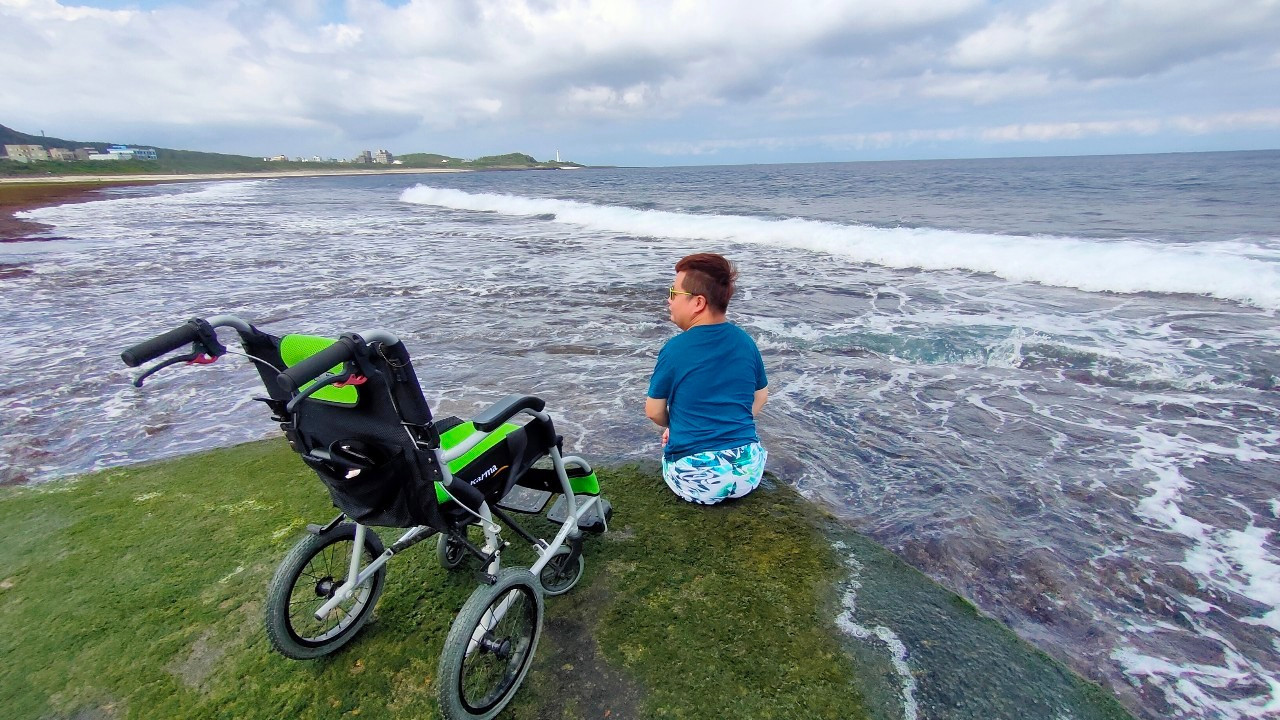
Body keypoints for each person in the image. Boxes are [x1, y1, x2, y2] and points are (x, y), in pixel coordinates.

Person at [645, 253, 768, 505]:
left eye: (673, 293)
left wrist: (678, 427)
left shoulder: (675, 349)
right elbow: (761, 396)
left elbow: (654, 411)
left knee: (673, 457)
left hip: (698, 479)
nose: (668, 300)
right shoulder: (745, 341)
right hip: (748, 471)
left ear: (698, 302)